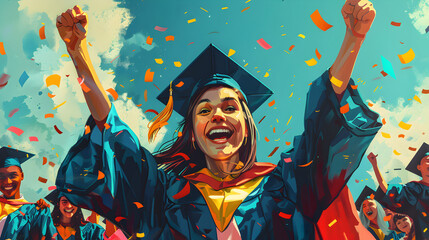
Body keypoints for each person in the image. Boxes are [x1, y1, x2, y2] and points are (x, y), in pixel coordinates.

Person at [53, 0, 380, 239]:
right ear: (193, 132)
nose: (217, 115)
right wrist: (78, 53)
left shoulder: (284, 186)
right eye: (204, 110)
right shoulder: (166, 195)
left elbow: (322, 130)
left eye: (229, 106)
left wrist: (353, 40)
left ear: (246, 124)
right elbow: (114, 136)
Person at [369, 145, 429, 240]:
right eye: (427, 160)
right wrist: (375, 165)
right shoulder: (414, 189)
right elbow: (388, 190)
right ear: (419, 167)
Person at [0, 147, 57, 239]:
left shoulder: (35, 212)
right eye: (1, 176)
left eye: (13, 175)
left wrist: (42, 215)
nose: (8, 181)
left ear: (22, 176)